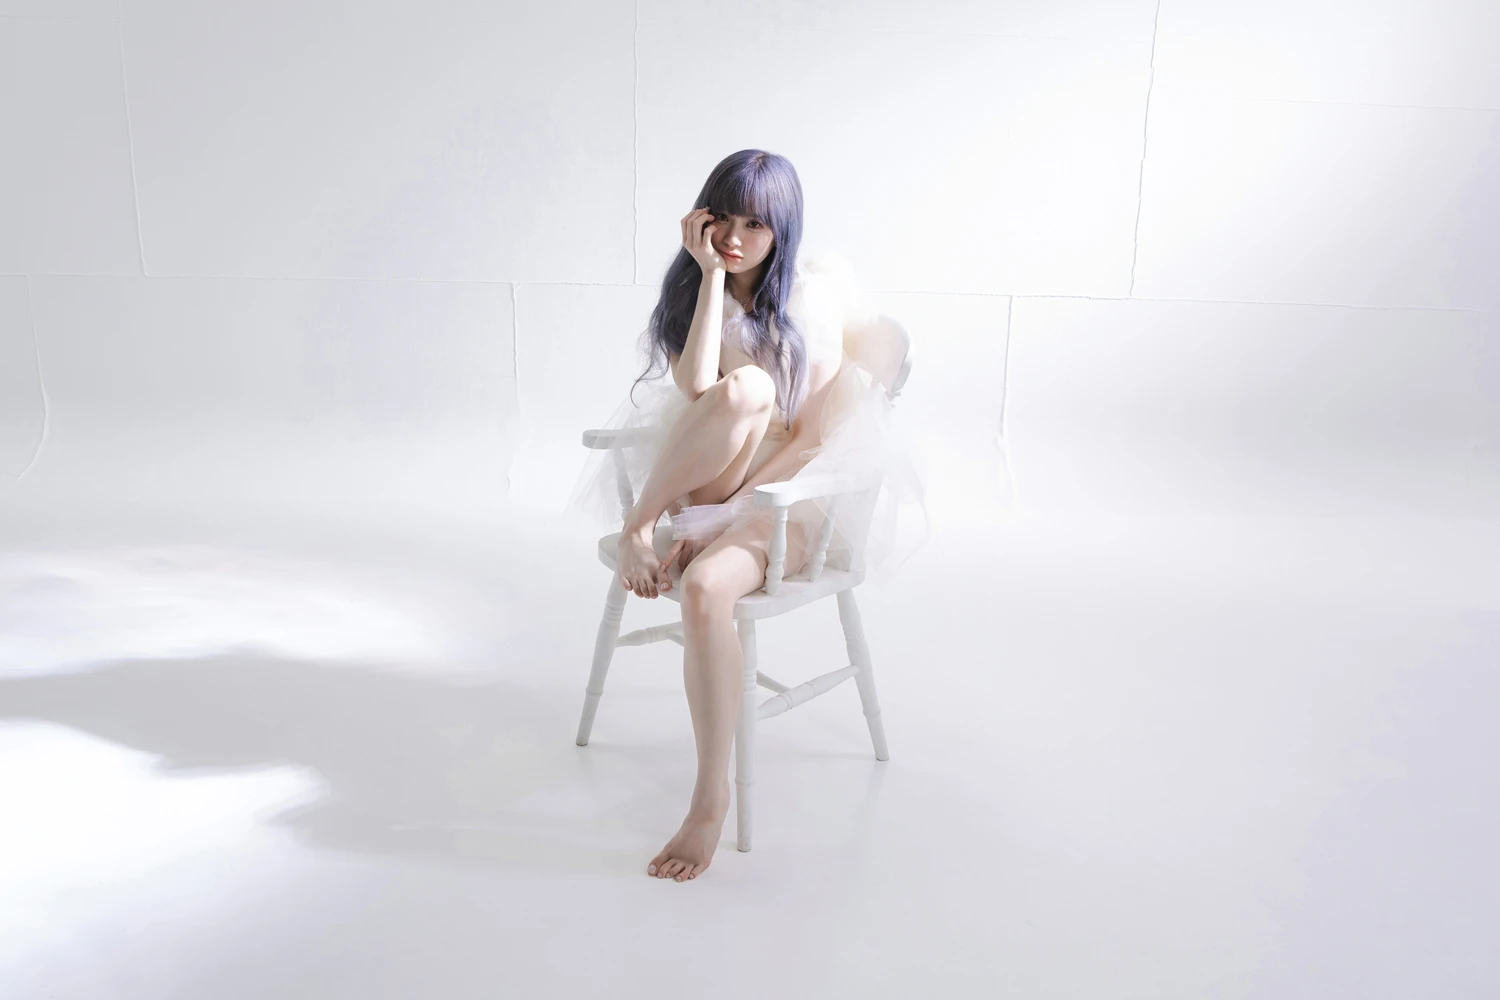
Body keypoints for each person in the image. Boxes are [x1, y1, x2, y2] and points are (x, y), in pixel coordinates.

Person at [569, 149, 924, 882]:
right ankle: (641, 527)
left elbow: (812, 441)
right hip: (708, 468)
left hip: (786, 491)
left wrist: (733, 517)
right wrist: (707, 277)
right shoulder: (699, 289)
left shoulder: (807, 307)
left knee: (705, 588)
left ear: (781, 231)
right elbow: (700, 389)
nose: (734, 237)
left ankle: (709, 802)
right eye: (723, 219)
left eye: (755, 225)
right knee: (743, 390)